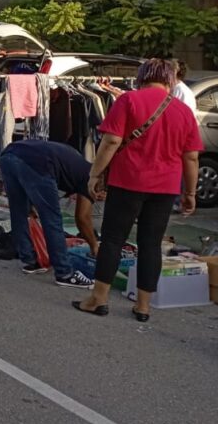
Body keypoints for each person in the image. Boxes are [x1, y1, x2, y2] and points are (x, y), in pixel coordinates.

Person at [74, 58, 202, 321]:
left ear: (141, 77)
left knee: (112, 240)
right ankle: (143, 306)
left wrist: (95, 174)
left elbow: (111, 141)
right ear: (169, 79)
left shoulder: (128, 101)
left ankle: (98, 299)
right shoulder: (184, 111)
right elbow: (191, 158)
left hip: (127, 182)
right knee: (151, 244)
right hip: (165, 188)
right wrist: (189, 193)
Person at [0, 140, 98, 288]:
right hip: (38, 163)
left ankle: (30, 261)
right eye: (103, 193)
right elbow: (82, 218)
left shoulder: (79, 165)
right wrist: (94, 246)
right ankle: (64, 272)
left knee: (19, 211)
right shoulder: (90, 180)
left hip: (9, 155)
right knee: (52, 218)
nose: (101, 197)